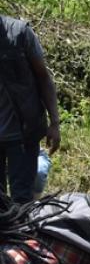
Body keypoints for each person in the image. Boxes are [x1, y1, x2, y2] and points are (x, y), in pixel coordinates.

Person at [0, 15, 61, 203]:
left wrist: (55, 123)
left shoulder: (19, 33)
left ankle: (24, 232)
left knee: (22, 200)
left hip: (22, 133)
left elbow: (43, 77)